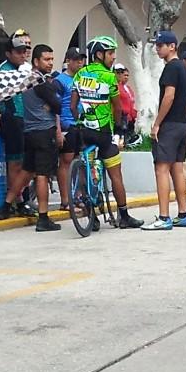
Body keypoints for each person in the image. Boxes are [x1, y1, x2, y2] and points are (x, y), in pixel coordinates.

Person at [71, 36, 142, 229]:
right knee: (115, 175)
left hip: (83, 131)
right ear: (99, 55)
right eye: (110, 53)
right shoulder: (109, 77)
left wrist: (80, 120)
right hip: (103, 133)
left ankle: (91, 216)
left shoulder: (80, 74)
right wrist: (118, 128)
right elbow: (117, 108)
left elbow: (72, 106)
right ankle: (124, 216)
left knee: (85, 169)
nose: (113, 57)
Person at [144, 31, 186, 231]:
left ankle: (164, 216)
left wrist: (158, 123)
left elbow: (169, 96)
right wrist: (184, 117)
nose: (157, 49)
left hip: (170, 125)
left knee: (161, 168)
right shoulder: (185, 68)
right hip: (182, 124)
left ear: (172, 46)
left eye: (160, 45)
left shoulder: (171, 68)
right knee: (177, 169)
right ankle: (183, 214)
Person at [19, 44, 65, 233]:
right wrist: (52, 103)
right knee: (42, 174)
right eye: (46, 59)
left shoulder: (28, 79)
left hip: (30, 131)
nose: (50, 63)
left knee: (27, 170)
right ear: (36, 61)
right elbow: (58, 104)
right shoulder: (40, 81)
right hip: (44, 131)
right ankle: (43, 217)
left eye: (52, 59)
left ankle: (7, 204)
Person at [0, 29, 33, 219]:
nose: (23, 55)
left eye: (25, 51)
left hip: (27, 119)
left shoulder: (26, 69)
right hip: (12, 118)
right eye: (18, 52)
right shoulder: (3, 71)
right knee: (15, 162)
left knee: (25, 162)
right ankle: (18, 200)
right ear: (8, 53)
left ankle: (21, 198)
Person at [55, 47, 85, 209]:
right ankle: (65, 199)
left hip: (80, 124)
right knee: (66, 161)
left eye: (81, 60)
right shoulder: (60, 81)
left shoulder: (82, 79)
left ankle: (78, 196)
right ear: (68, 61)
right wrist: (58, 129)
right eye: (76, 60)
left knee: (79, 160)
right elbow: (55, 106)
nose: (80, 63)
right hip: (67, 124)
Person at [114, 63, 137, 143]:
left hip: (129, 117)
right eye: (124, 75)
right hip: (120, 116)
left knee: (127, 138)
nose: (125, 77)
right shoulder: (116, 86)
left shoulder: (128, 88)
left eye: (127, 75)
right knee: (120, 137)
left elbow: (131, 102)